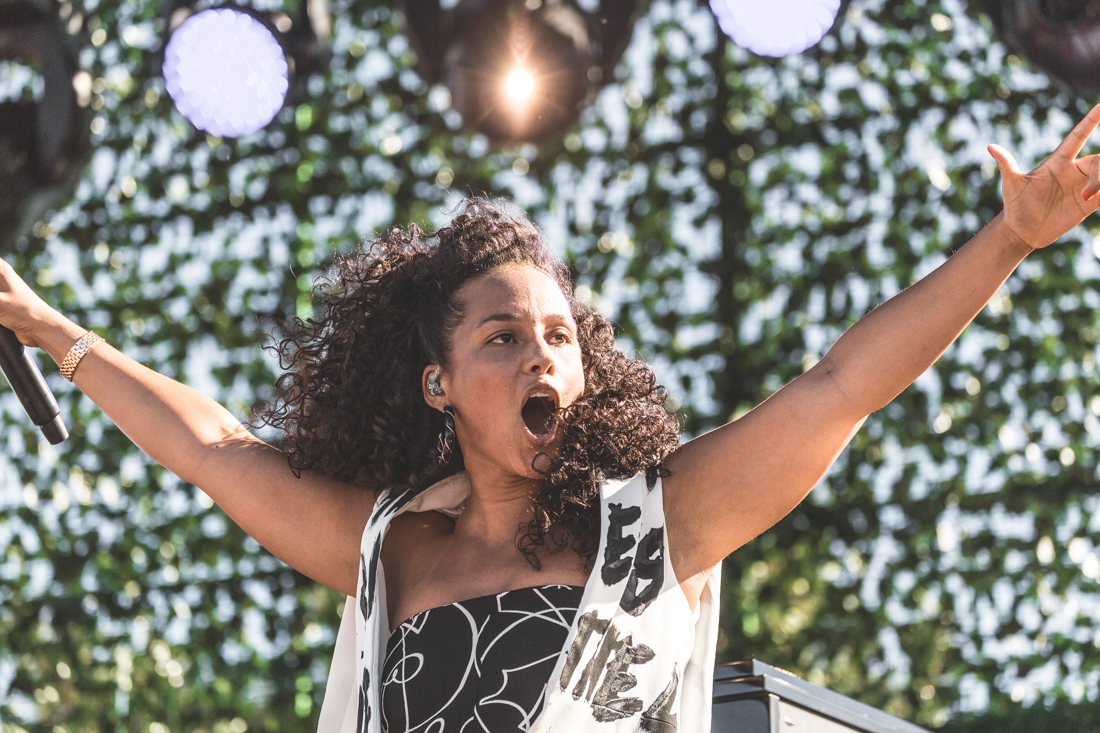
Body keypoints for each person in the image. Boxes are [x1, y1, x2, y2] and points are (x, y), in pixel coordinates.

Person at [3, 106, 1100, 733]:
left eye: (561, 337)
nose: (542, 354)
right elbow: (214, 448)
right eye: (501, 338)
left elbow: (838, 387)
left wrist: (1005, 241)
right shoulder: (389, 547)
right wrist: (51, 328)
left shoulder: (655, 530)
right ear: (436, 381)